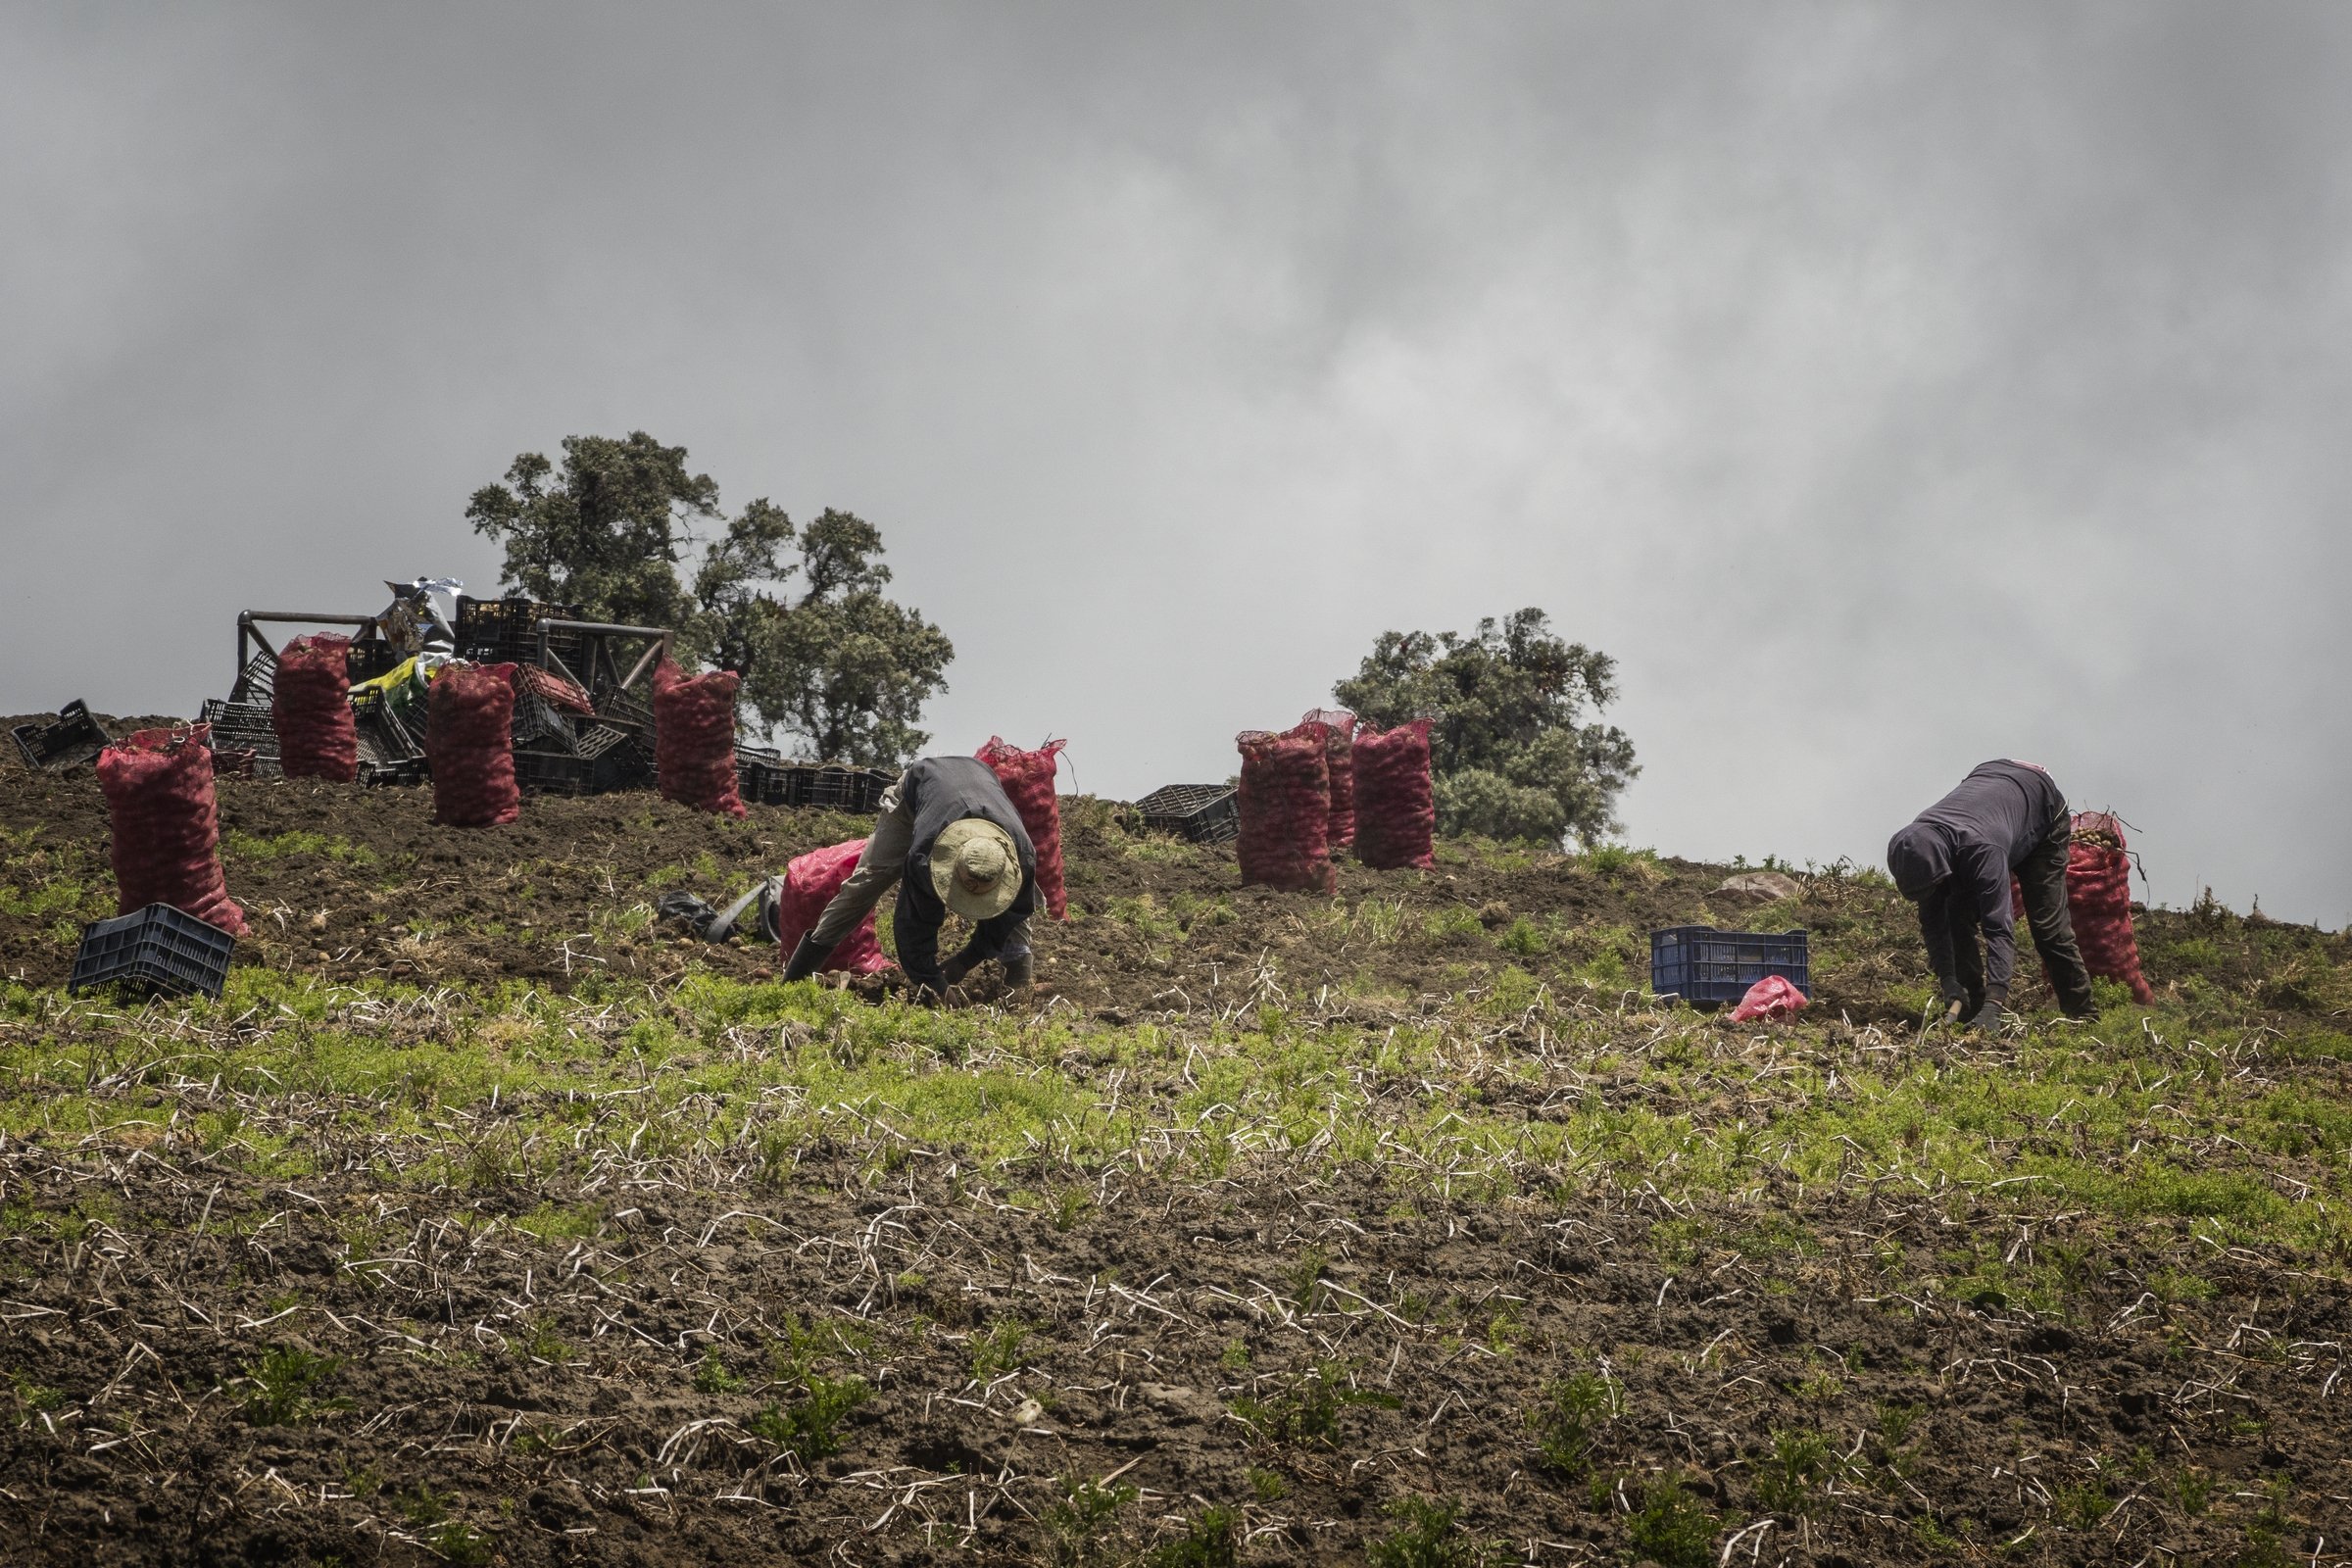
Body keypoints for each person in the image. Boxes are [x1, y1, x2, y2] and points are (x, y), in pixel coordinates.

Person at [782, 756, 1037, 995]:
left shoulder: (1022, 859)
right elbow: (914, 922)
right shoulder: (925, 856)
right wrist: (932, 981)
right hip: (917, 792)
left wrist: (966, 960)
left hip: (978, 782)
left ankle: (1018, 986)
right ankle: (795, 978)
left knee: (1011, 907)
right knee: (868, 882)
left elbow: (1013, 912)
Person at [1886, 759, 2095, 1027]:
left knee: (2048, 929)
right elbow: (1934, 922)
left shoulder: (1982, 851)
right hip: (1993, 793)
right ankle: (1970, 1003)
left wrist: (1995, 1003)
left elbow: (1999, 929)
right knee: (1954, 913)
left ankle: (2083, 1014)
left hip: (2041, 809)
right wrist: (1948, 980)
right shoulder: (1918, 844)